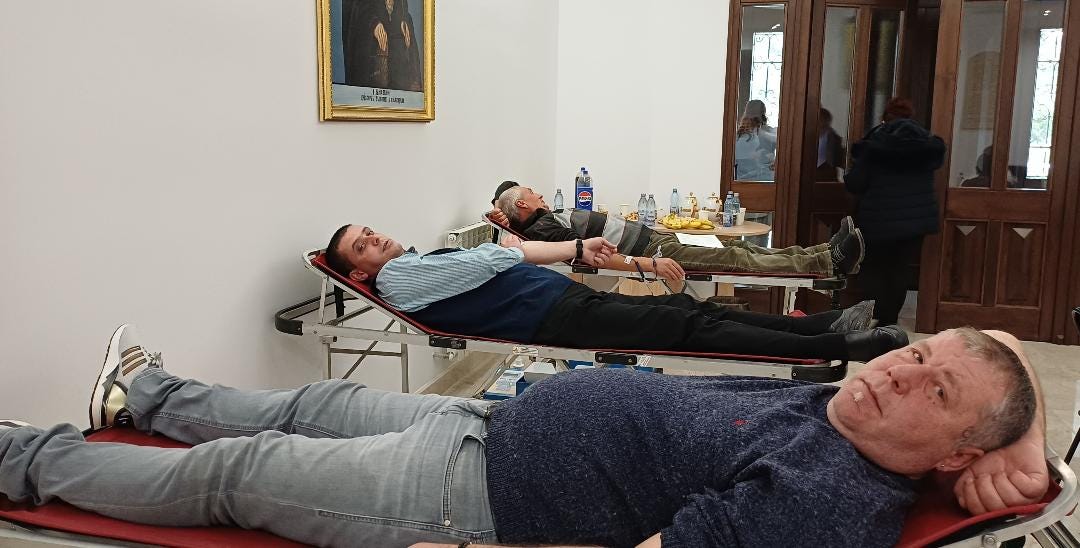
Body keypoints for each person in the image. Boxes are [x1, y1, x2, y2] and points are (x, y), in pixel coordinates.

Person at [0, 323, 1043, 547]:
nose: (900, 368)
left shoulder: (828, 502)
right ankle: (143, 398)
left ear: (959, 450)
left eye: (934, 387)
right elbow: (996, 355)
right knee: (307, 402)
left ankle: (22, 458)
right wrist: (1026, 444)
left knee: (244, 471)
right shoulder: (855, 407)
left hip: (473, 498)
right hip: (491, 422)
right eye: (918, 349)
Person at [324, 223, 901, 362]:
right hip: (549, 321)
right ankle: (840, 347)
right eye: (362, 246)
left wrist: (557, 252)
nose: (375, 239)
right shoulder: (396, 278)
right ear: (360, 275)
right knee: (684, 327)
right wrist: (568, 248)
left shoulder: (417, 260)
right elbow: (491, 258)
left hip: (560, 301)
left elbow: (491, 258)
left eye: (370, 231)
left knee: (684, 308)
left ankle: (819, 326)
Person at [489, 182, 864, 280]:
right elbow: (593, 257)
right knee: (737, 256)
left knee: (742, 250)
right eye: (531, 192)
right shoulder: (546, 230)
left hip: (655, 239)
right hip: (654, 252)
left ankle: (820, 253)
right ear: (522, 206)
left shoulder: (546, 220)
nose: (539, 193)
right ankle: (827, 263)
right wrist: (649, 265)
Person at [845, 97, 946, 325]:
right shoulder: (926, 144)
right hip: (915, 223)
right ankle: (890, 321)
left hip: (878, 219)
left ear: (885, 118)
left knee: (874, 269)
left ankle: (874, 318)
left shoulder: (875, 143)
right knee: (900, 269)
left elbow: (855, 183)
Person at [340, 0, 423, 90]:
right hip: (369, 37)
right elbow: (355, 7)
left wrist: (402, 17)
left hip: (395, 39)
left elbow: (402, 6)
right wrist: (372, 21)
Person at [734, 99, 778, 181]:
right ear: (764, 114)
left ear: (746, 113)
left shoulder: (737, 137)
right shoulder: (771, 133)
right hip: (768, 181)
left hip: (744, 183)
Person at [816, 108, 846, 181]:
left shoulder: (835, 139)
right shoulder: (803, 138)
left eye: (825, 125)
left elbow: (841, 161)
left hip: (827, 178)